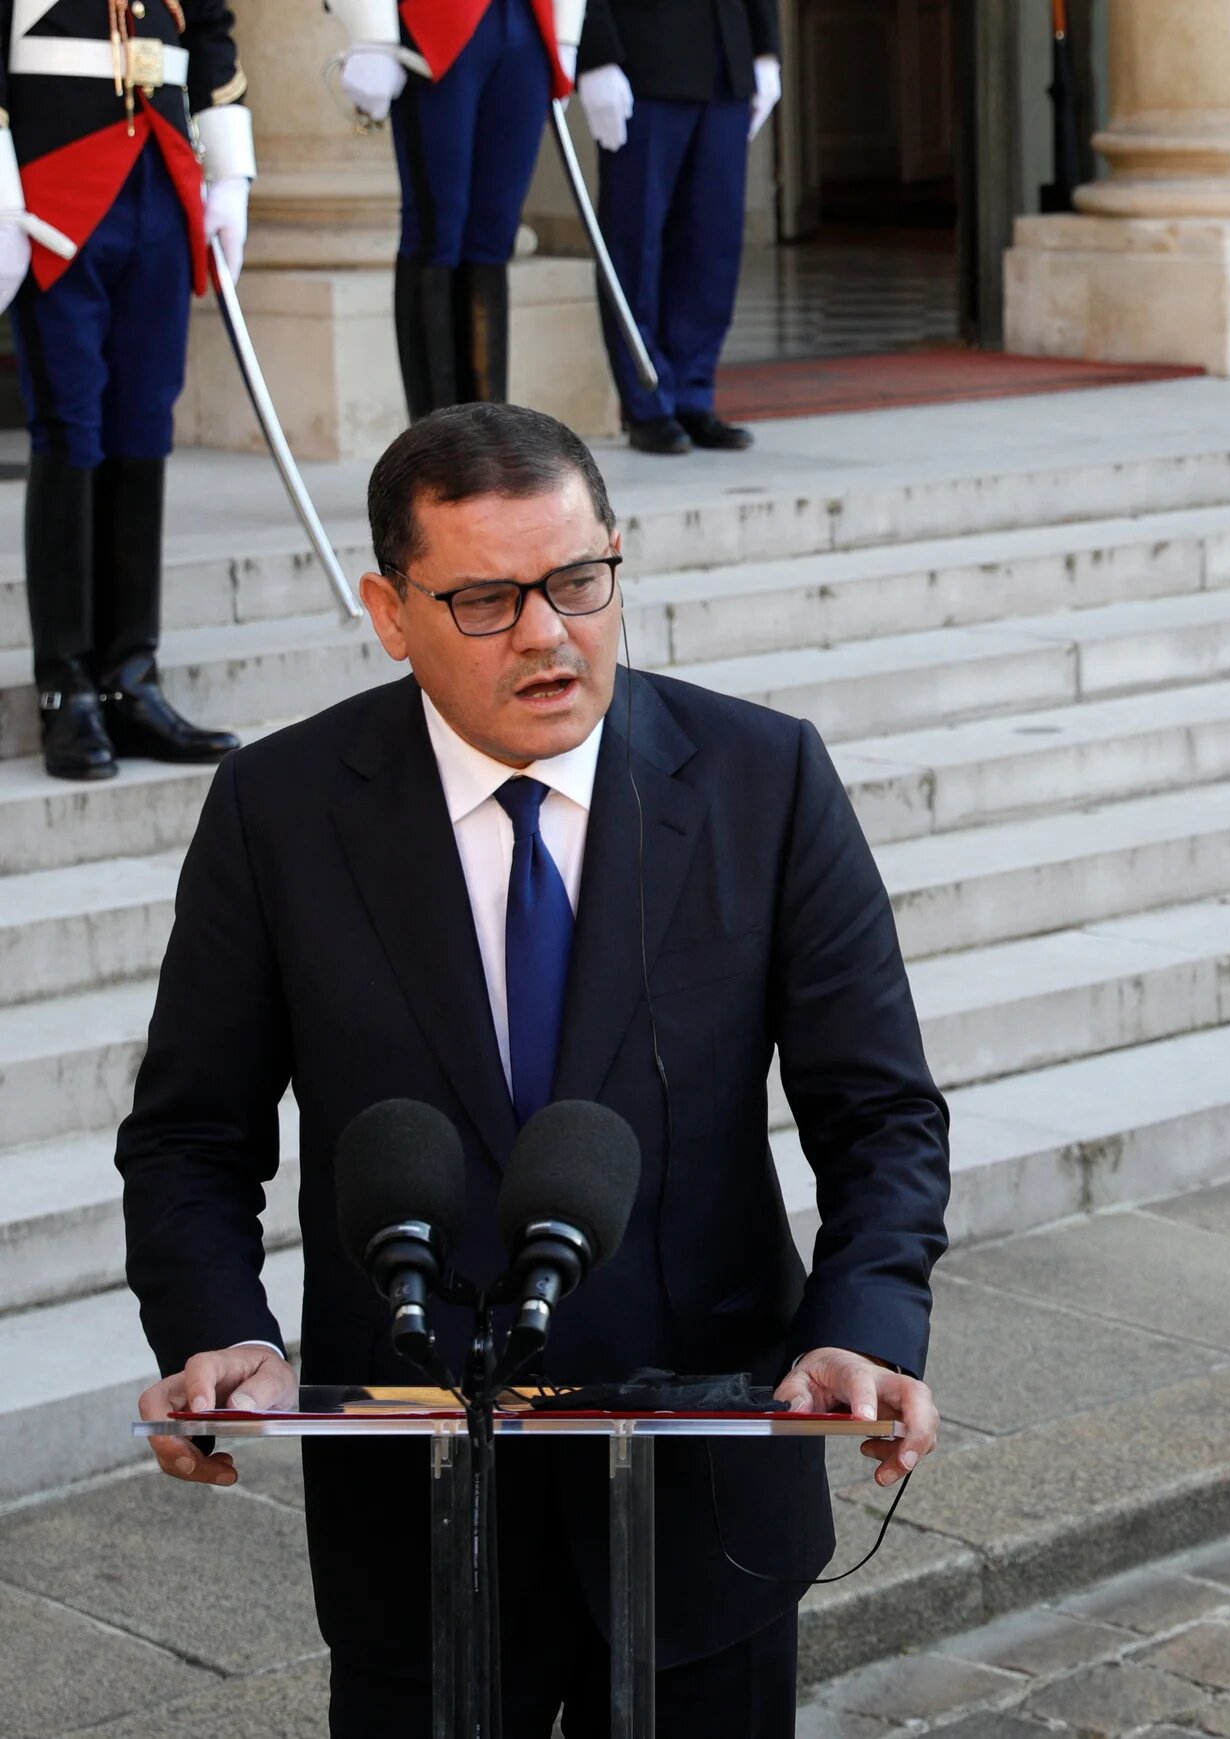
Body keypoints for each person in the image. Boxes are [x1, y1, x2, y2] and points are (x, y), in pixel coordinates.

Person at [118, 403, 951, 1737]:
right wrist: (222, 1329)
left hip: (701, 1508)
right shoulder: (277, 811)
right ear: (392, 612)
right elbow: (191, 1136)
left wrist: (860, 1321)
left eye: (579, 580)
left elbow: (881, 1112)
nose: (552, 633)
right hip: (420, 1522)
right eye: (489, 599)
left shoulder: (762, 778)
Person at [4, 0, 254, 780]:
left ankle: (130, 676)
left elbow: (209, 28)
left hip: (161, 176)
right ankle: (66, 684)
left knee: (144, 424)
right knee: (72, 425)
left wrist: (230, 169)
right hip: (55, 180)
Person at [327, 0, 582, 416]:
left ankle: (486, 436)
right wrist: (372, 34)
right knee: (436, 232)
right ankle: (435, 442)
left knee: (494, 237)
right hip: (437, 23)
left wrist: (566, 34)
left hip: (529, 23)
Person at [574, 0, 778, 453]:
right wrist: (596, 52)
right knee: (635, 241)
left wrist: (765, 48)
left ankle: (692, 393)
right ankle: (647, 400)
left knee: (713, 245)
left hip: (726, 58)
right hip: (642, 60)